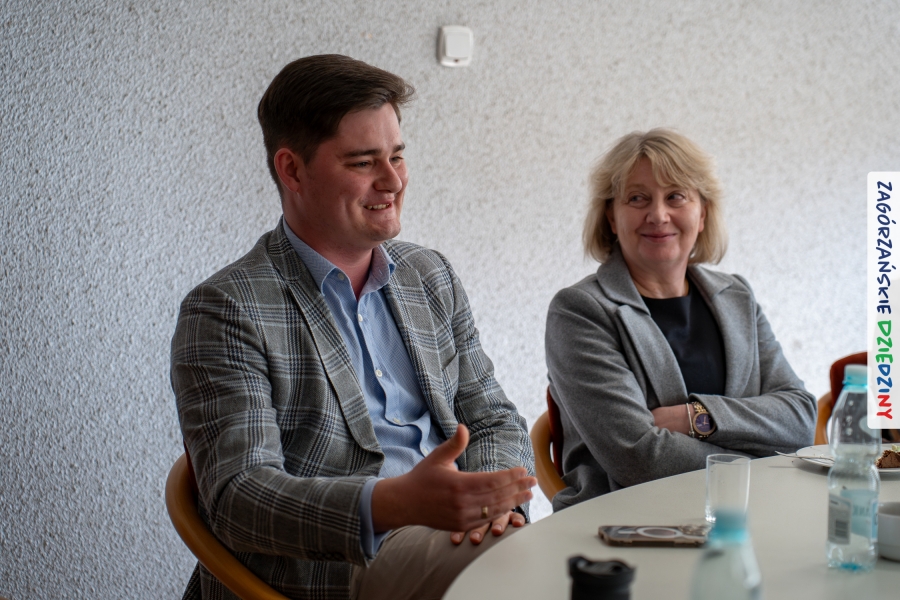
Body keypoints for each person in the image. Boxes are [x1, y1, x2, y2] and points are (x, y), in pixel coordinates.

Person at [171, 54, 536, 600]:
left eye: (397, 156)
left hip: (463, 539)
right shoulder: (226, 309)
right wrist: (391, 504)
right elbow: (238, 498)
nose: (393, 181)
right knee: (531, 576)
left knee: (578, 561)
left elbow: (493, 419)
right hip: (335, 569)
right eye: (364, 162)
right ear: (292, 170)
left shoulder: (428, 275)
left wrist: (493, 508)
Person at [545, 128, 816, 512]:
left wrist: (697, 418)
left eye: (676, 196)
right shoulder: (579, 310)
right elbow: (640, 457)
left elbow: (800, 418)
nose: (658, 215)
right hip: (626, 524)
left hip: (743, 517)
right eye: (637, 198)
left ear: (702, 213)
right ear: (611, 217)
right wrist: (765, 467)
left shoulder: (737, 296)